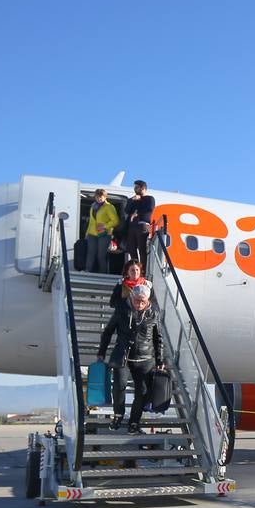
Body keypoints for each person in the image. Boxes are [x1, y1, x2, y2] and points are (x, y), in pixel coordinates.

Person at [96, 284, 164, 433]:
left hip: (145, 359)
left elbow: (158, 338)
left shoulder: (154, 313)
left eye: (142, 301)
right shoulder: (122, 310)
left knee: (142, 392)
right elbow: (108, 331)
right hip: (123, 357)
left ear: (147, 300)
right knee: (119, 386)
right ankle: (118, 415)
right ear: (132, 297)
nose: (139, 304)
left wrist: (160, 360)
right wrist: (102, 352)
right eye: (137, 300)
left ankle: (134, 421)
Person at [83, 188, 120, 274]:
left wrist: (105, 226)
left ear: (105, 197)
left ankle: (102, 273)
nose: (99, 198)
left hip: (104, 234)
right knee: (91, 253)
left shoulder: (109, 207)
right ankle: (87, 271)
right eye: (97, 196)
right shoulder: (93, 206)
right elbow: (91, 221)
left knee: (101, 255)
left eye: (101, 197)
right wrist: (87, 233)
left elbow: (116, 221)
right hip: (92, 233)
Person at [122, 179, 157, 267]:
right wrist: (132, 200)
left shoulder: (149, 198)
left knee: (141, 249)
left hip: (142, 225)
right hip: (132, 226)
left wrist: (137, 212)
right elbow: (126, 210)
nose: (135, 189)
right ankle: (136, 267)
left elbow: (149, 209)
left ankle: (143, 269)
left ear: (143, 188)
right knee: (131, 248)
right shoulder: (133, 200)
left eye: (137, 187)